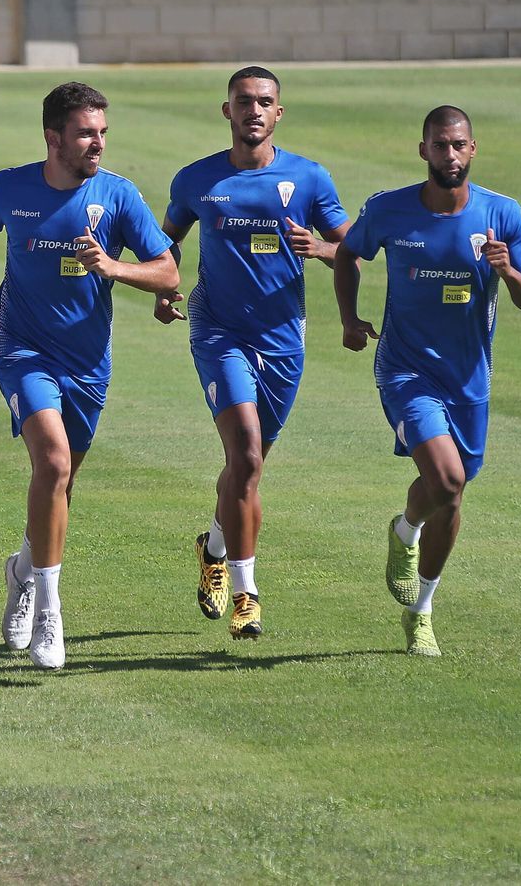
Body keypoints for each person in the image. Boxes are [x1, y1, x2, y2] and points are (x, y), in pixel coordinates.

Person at [0, 82, 178, 670]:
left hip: (88, 361)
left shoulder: (119, 196)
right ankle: (50, 608)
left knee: (61, 485)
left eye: (102, 132)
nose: (96, 143)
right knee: (52, 463)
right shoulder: (10, 187)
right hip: (20, 347)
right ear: (53, 137)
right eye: (84, 133)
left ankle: (22, 571)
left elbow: (169, 271)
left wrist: (113, 266)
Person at [334, 106, 521, 656]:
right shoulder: (389, 209)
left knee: (450, 498)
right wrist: (350, 320)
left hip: (469, 378)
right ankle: (409, 537)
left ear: (472, 149)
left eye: (459, 146)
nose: (449, 155)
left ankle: (419, 600)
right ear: (423, 150)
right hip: (405, 369)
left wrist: (509, 272)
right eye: (439, 145)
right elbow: (348, 254)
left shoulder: (502, 215)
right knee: (447, 481)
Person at [155, 67, 349, 640]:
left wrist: (320, 247)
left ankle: (213, 547)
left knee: (246, 467)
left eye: (265, 102)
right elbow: (165, 241)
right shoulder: (196, 179)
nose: (254, 111)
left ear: (279, 113)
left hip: (283, 338)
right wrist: (167, 291)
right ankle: (247, 594)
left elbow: (353, 248)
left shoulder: (309, 179)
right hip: (218, 332)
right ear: (227, 111)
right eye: (244, 101)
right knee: (246, 454)